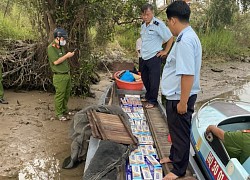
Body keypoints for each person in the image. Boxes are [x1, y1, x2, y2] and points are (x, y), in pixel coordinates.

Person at [160, 1, 202, 179]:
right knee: (175, 130)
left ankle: (178, 170)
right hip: (176, 95)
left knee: (181, 134)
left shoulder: (185, 41)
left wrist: (183, 102)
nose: (169, 26)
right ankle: (173, 156)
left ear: (174, 20)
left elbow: (187, 75)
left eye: (168, 22)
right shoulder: (186, 37)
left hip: (180, 97)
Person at [140, 3, 174, 109]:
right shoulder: (143, 25)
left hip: (154, 56)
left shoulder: (158, 24)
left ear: (152, 13)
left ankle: (153, 101)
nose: (145, 17)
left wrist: (165, 51)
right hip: (144, 56)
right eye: (143, 15)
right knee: (144, 77)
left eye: (148, 14)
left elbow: (170, 38)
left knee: (154, 79)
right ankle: (148, 95)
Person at [47, 28, 75, 121]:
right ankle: (59, 114)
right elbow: (56, 62)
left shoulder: (61, 47)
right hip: (59, 76)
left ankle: (64, 110)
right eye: (63, 39)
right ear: (57, 38)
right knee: (60, 95)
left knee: (66, 94)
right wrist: (67, 56)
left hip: (67, 74)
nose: (64, 41)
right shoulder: (51, 48)